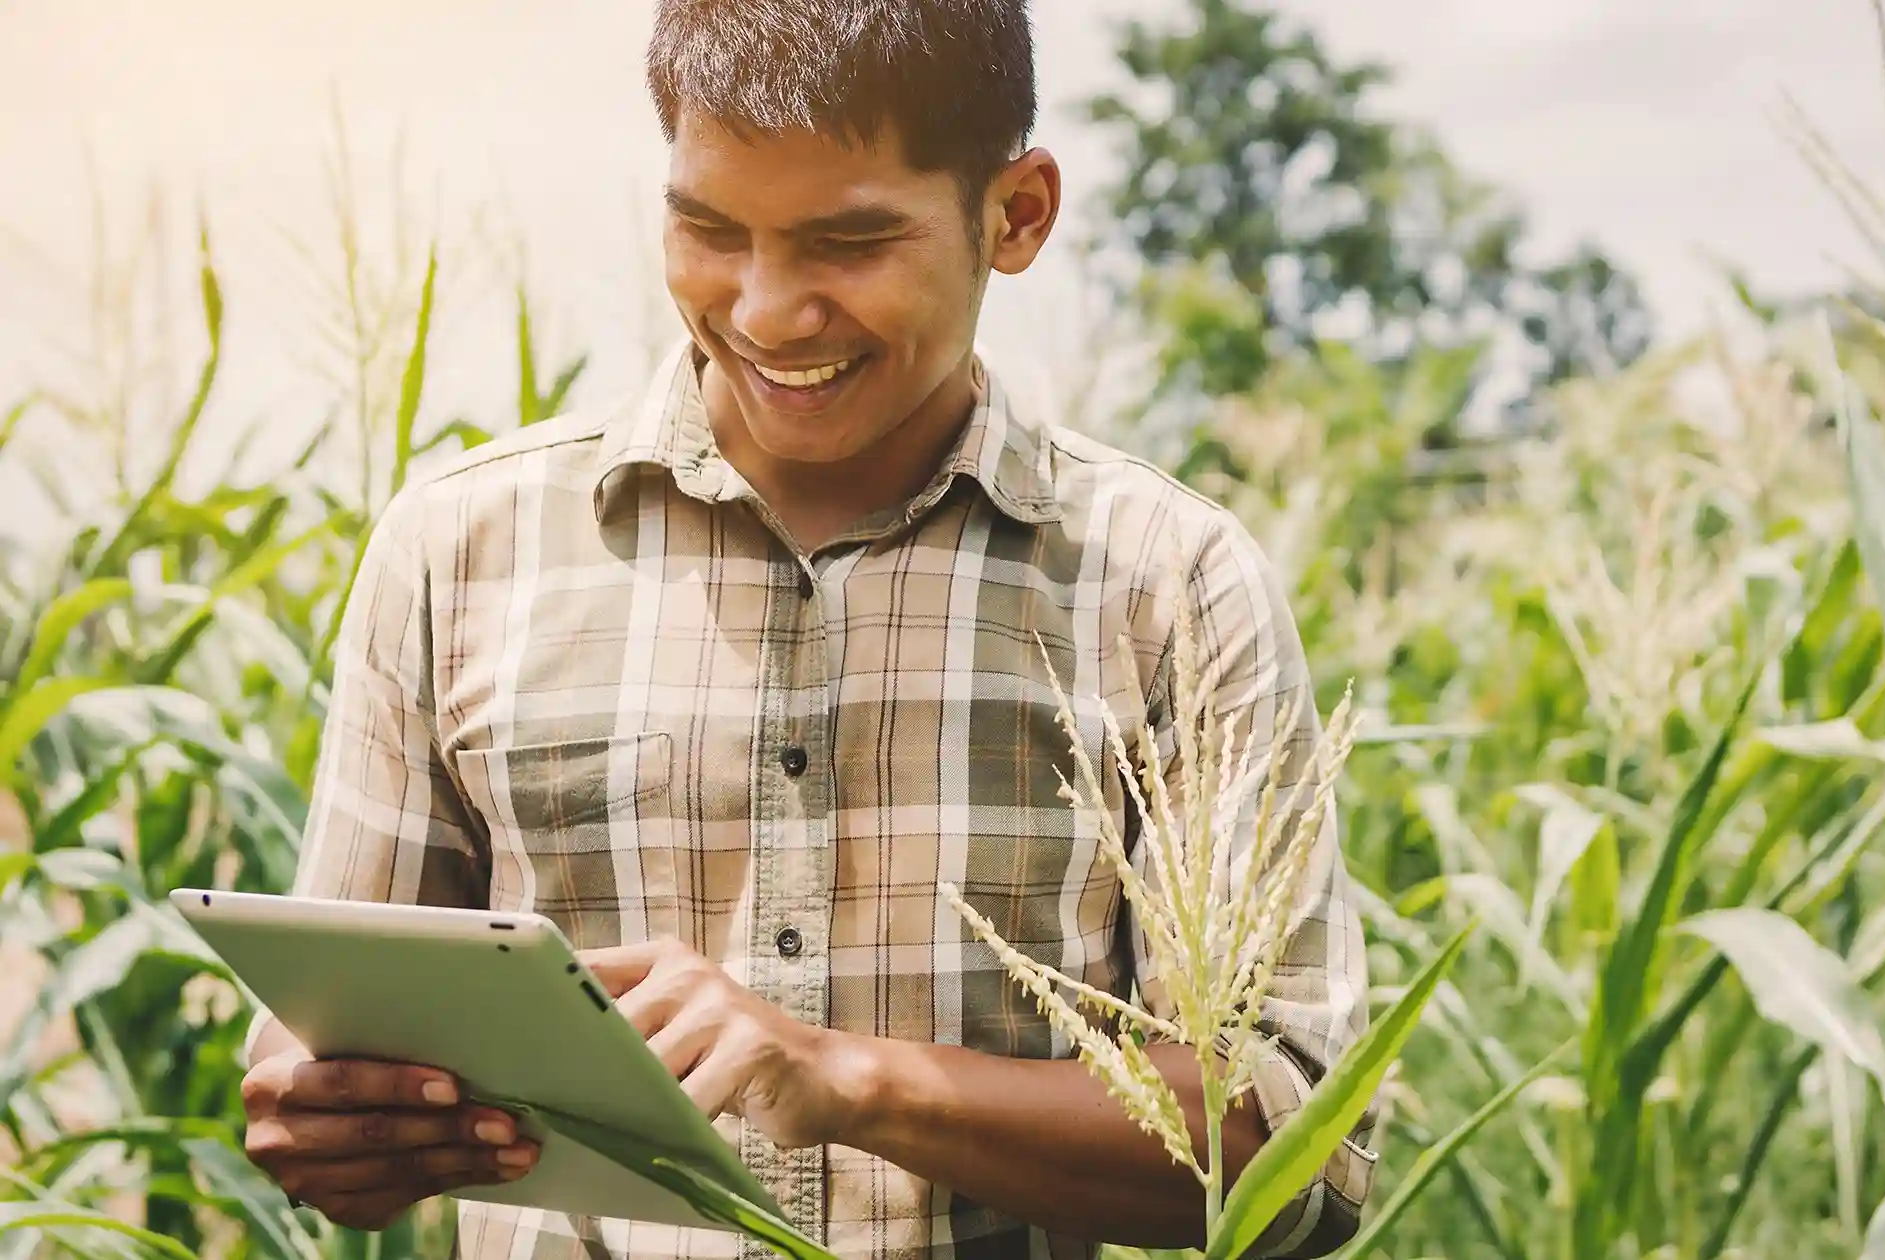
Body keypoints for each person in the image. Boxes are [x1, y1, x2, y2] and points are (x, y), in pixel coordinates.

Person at [235, 2, 1373, 1257]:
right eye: (709, 230)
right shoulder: (459, 553)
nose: (769, 312)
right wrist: (330, 1115)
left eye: (850, 241)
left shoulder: (1164, 584)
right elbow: (325, 1032)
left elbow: (1296, 1156)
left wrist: (843, 1080)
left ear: (1017, 214)